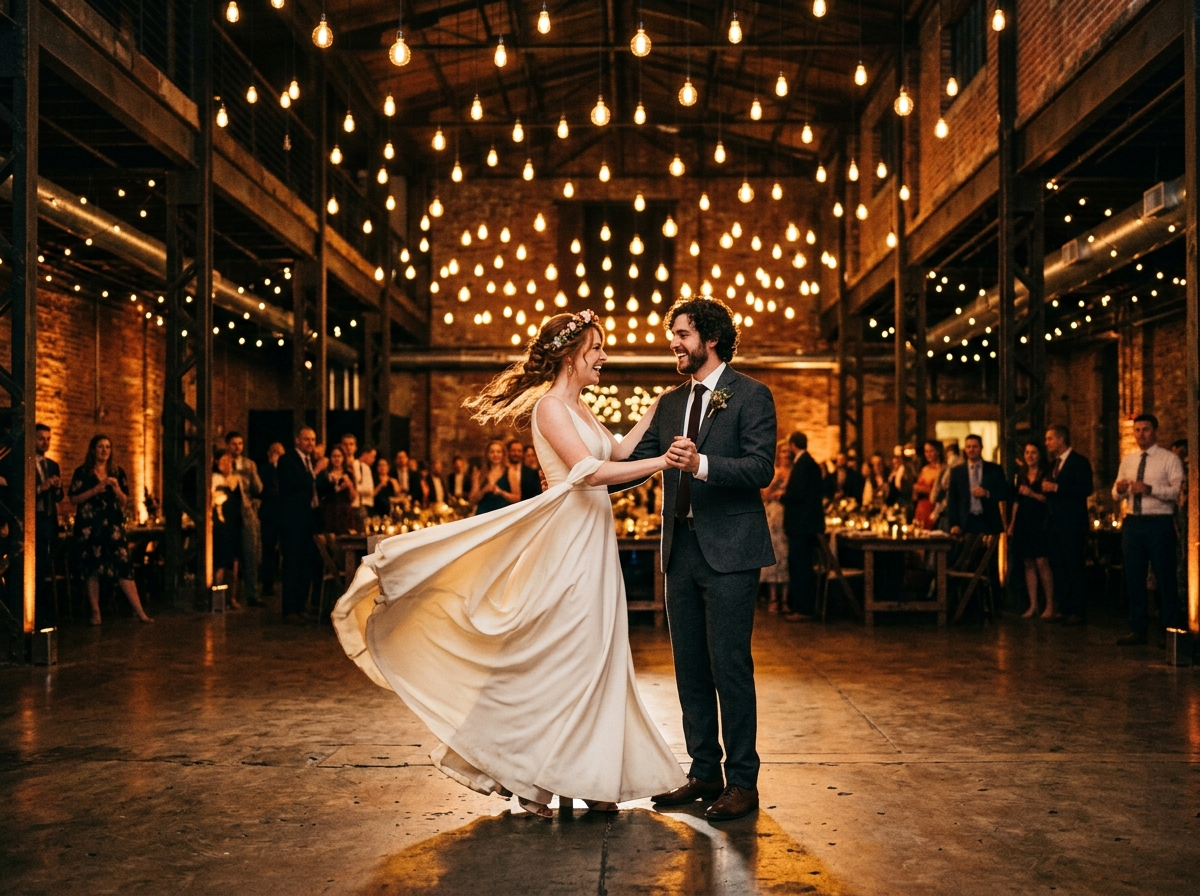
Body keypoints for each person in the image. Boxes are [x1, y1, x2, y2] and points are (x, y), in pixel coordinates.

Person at [332, 309, 686, 819]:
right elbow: (587, 473)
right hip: (567, 543)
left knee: (595, 656)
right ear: (571, 356)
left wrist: (656, 410)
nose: (604, 357)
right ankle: (531, 778)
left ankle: (587, 776)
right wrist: (662, 463)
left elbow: (621, 449)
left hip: (594, 543)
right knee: (561, 655)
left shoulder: (583, 409)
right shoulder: (550, 409)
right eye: (597, 349)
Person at [621, 297, 776, 822]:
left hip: (731, 553)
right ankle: (703, 771)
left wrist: (704, 464)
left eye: (682, 334)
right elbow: (634, 462)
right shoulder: (668, 403)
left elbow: (760, 469)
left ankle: (743, 783)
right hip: (679, 552)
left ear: (709, 339)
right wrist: (580, 471)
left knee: (729, 666)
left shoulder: (753, 395)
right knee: (689, 668)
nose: (674, 343)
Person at [1113, 414, 1185, 647]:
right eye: (1137, 430)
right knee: (1134, 576)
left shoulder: (1169, 459)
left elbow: (1175, 492)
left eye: (1145, 429)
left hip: (1159, 521)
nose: (1140, 434)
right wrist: (1120, 489)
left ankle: (1169, 628)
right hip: (1133, 521)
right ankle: (1137, 628)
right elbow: (1115, 494)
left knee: (1165, 575)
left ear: (1155, 431)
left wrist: (1149, 489)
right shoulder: (1128, 459)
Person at [68, 435, 153, 625]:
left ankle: (139, 611)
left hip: (112, 528)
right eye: (100, 447)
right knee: (93, 568)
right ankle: (95, 612)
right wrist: (96, 489)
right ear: (93, 450)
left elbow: (124, 501)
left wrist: (116, 489)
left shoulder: (117, 472)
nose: (104, 450)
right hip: (89, 528)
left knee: (123, 566)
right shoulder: (82, 472)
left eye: (108, 447)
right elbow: (74, 499)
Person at [1043, 425, 1094, 626]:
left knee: (1074, 565)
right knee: (1059, 565)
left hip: (1072, 523)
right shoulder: (1053, 464)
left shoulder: (1079, 462)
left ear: (1061, 439)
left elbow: (1085, 488)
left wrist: (1057, 487)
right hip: (1055, 522)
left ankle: (1078, 609)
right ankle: (1063, 607)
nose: (1047, 443)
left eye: (1050, 439)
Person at [278, 427, 322, 623]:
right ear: (297, 440)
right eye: (306, 439)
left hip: (309, 520)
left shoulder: (310, 461)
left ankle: (301, 605)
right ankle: (290, 610)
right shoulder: (287, 460)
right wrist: (317, 471)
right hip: (293, 521)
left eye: (313, 440)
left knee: (307, 564)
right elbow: (291, 485)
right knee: (293, 564)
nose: (310, 443)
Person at [779, 432, 825, 621]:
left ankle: (803, 609)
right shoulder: (808, 462)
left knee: (801, 567)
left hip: (802, 526)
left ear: (792, 445)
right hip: (804, 525)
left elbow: (798, 493)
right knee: (800, 565)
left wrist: (782, 496)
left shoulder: (803, 464)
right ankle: (800, 606)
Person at [1008, 441, 1054, 619]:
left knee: (1042, 562)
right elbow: (1017, 502)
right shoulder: (1021, 475)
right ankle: (1033, 604)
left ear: (1039, 454)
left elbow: (1048, 500)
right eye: (1027, 453)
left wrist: (1032, 494)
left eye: (1033, 452)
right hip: (1023, 520)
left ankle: (1049, 604)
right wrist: (1012, 524)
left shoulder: (1046, 473)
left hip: (1039, 520)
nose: (1029, 456)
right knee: (1028, 562)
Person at [225, 432, 263, 607]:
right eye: (234, 444)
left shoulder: (249, 464)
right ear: (228, 445)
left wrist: (253, 474)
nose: (237, 447)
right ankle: (229, 595)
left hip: (246, 513)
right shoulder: (222, 462)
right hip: (228, 513)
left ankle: (252, 594)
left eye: (240, 443)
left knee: (250, 554)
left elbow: (258, 488)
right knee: (229, 556)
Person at [34, 423, 63, 627]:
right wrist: (41, 487)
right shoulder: (25, 463)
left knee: (46, 568)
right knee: (36, 570)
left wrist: (57, 487)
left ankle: (47, 613)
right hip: (34, 521)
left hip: (49, 522)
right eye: (41, 438)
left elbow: (59, 498)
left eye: (48, 438)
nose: (45, 442)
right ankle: (35, 613)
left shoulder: (52, 465)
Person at [947, 434, 1007, 535]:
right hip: (966, 521)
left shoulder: (994, 469)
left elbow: (1004, 492)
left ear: (981, 448)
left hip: (988, 520)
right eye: (968, 447)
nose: (971, 450)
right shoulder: (957, 471)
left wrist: (987, 493)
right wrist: (954, 523)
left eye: (975, 446)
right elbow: (952, 499)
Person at [759, 442, 791, 614]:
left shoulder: (794, 472)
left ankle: (785, 599)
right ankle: (773, 598)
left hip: (788, 515)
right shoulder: (774, 470)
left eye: (787, 452)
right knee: (774, 555)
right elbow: (764, 494)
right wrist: (777, 483)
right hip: (774, 514)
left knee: (786, 557)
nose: (785, 455)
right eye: (783, 452)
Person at [211, 451, 244, 610]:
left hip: (235, 524)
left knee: (235, 563)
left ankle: (233, 597)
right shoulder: (214, 479)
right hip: (220, 525)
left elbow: (242, 500)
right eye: (223, 461)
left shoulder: (236, 479)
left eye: (229, 461)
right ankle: (219, 600)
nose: (227, 464)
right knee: (221, 562)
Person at [259, 442, 285, 598]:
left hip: (283, 515)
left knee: (285, 551)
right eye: (275, 452)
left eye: (281, 453)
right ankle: (267, 585)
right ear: (270, 453)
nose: (278, 455)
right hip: (269, 515)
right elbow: (264, 488)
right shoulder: (264, 469)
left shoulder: (287, 470)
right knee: (267, 550)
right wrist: (273, 465)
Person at [468, 440, 523, 514]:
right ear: (487, 454)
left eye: (498, 452)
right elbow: (472, 501)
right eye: (492, 452)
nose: (495, 455)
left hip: (503, 515)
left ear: (503, 454)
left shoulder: (510, 471)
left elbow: (517, 498)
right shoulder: (479, 473)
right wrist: (484, 490)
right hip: (483, 514)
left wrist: (501, 492)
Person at [319, 445, 358, 535]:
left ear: (343, 458)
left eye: (339, 456)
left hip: (345, 510)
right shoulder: (325, 474)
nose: (337, 459)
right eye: (334, 456)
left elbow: (353, 497)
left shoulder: (348, 473)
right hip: (329, 510)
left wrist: (349, 484)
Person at [341, 434, 374, 529]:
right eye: (345, 444)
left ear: (355, 447)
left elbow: (369, 490)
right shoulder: (337, 465)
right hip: (341, 507)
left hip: (358, 506)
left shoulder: (363, 467)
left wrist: (353, 486)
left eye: (351, 444)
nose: (348, 447)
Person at [913, 441, 944, 529]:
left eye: (931, 451)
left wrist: (924, 489)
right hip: (921, 506)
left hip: (933, 507)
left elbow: (941, 491)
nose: (928, 454)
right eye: (926, 451)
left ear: (937, 451)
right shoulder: (925, 469)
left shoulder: (942, 469)